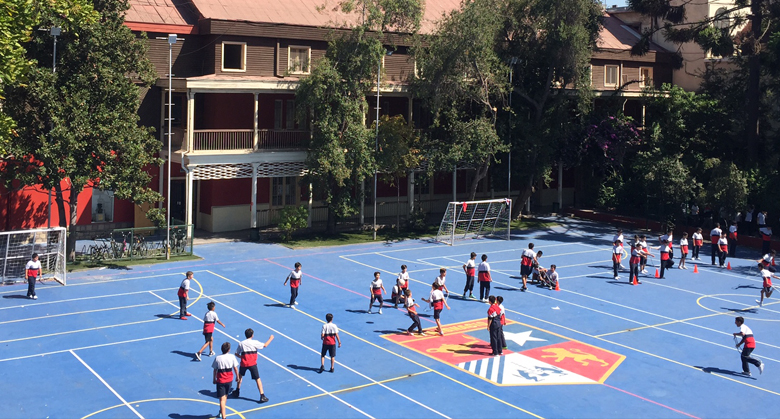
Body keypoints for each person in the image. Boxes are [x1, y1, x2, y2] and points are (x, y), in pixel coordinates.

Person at [233, 328, 274, 402]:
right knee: (257, 379)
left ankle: (237, 391)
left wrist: (242, 357)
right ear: (252, 335)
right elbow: (265, 345)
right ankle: (262, 395)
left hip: (244, 363)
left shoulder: (241, 343)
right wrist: (270, 339)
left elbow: (236, 353)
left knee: (240, 376)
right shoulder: (255, 342)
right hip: (252, 363)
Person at [212, 342, 239, 419]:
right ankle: (221, 411)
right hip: (229, 380)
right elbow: (235, 368)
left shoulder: (218, 358)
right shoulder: (232, 357)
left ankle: (223, 416)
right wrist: (237, 377)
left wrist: (214, 379)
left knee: (222, 399)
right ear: (229, 350)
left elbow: (215, 370)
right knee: (225, 397)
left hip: (220, 380)